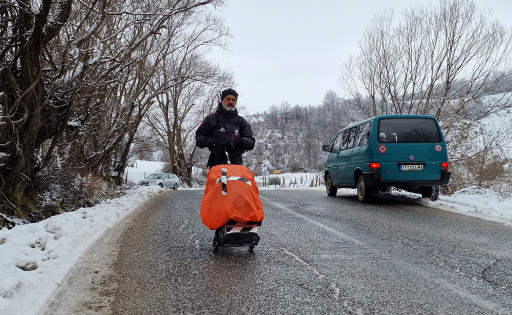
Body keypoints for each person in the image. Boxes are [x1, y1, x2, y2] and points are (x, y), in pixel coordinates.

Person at [196, 88, 255, 167]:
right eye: (228, 99)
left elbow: (251, 141)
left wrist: (238, 143)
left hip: (236, 165)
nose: (231, 102)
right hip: (216, 164)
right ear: (222, 100)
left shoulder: (241, 121)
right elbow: (199, 137)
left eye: (234, 100)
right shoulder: (211, 119)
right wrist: (209, 142)